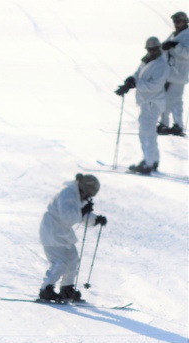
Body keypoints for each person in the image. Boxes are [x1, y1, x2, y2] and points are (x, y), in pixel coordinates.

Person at [35, 174, 107, 303]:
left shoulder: (76, 194)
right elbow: (68, 217)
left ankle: (66, 287)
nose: (87, 198)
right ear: (85, 189)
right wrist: (83, 211)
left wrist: (95, 219)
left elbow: (77, 213)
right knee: (59, 262)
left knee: (72, 258)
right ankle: (46, 289)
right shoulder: (67, 193)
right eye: (88, 194)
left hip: (62, 232)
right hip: (52, 231)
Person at [115, 37, 171, 174]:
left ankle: (148, 163)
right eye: (149, 49)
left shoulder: (162, 65)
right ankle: (153, 160)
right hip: (146, 102)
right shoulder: (147, 60)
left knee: (146, 133)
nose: (151, 51)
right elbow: (138, 74)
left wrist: (136, 84)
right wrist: (130, 81)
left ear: (159, 48)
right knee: (147, 131)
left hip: (153, 102)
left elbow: (155, 86)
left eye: (154, 49)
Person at [159, 11, 189, 136]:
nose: (176, 24)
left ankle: (175, 125)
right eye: (175, 22)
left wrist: (175, 46)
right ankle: (165, 124)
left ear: (185, 21)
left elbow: (187, 53)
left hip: (179, 73)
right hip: (169, 72)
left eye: (179, 21)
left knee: (174, 100)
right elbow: (165, 47)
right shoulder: (174, 34)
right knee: (166, 98)